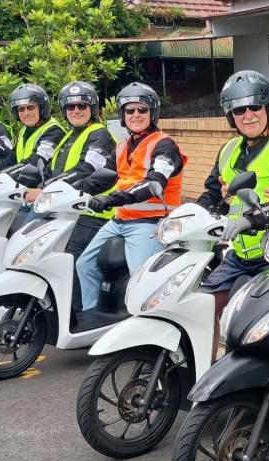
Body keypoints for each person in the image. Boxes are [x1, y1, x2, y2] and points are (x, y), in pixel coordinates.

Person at [195, 70, 269, 317]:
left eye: (255, 106)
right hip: (239, 254)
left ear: (266, 107)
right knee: (201, 309)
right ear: (230, 116)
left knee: (251, 320)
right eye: (239, 110)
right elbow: (212, 196)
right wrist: (188, 216)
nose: (248, 115)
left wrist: (260, 214)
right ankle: (207, 357)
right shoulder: (227, 150)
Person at [75, 82, 185, 311]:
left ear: (153, 113)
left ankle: (143, 331)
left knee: (141, 281)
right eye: (130, 110)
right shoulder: (123, 145)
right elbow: (102, 176)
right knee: (85, 264)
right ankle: (93, 318)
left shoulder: (165, 146)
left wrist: (113, 198)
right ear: (123, 116)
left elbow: (152, 183)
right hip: (120, 220)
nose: (136, 115)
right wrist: (75, 189)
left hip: (150, 223)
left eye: (142, 110)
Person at [23, 81, 119, 260]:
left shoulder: (100, 135)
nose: (75, 110)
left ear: (92, 107)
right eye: (70, 106)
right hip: (64, 209)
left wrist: (46, 189)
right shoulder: (69, 136)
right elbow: (52, 170)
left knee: (69, 260)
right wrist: (40, 185)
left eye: (81, 105)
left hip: (91, 212)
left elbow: (86, 169)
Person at [8, 83, 65, 168]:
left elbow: (36, 161)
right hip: (23, 178)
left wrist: (7, 174)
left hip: (44, 180)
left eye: (30, 107)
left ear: (42, 109)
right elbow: (12, 158)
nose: (26, 113)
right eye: (21, 109)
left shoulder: (54, 131)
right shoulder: (24, 130)